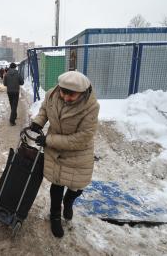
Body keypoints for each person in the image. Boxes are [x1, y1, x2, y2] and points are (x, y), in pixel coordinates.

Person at [30, 71, 99, 238]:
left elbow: (82, 138)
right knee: (57, 183)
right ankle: (55, 216)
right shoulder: (52, 95)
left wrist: (49, 140)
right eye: (63, 92)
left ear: (82, 93)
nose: (66, 97)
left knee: (76, 186)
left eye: (71, 95)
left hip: (77, 152)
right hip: (55, 150)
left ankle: (69, 201)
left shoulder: (91, 107)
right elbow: (45, 110)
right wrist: (38, 122)